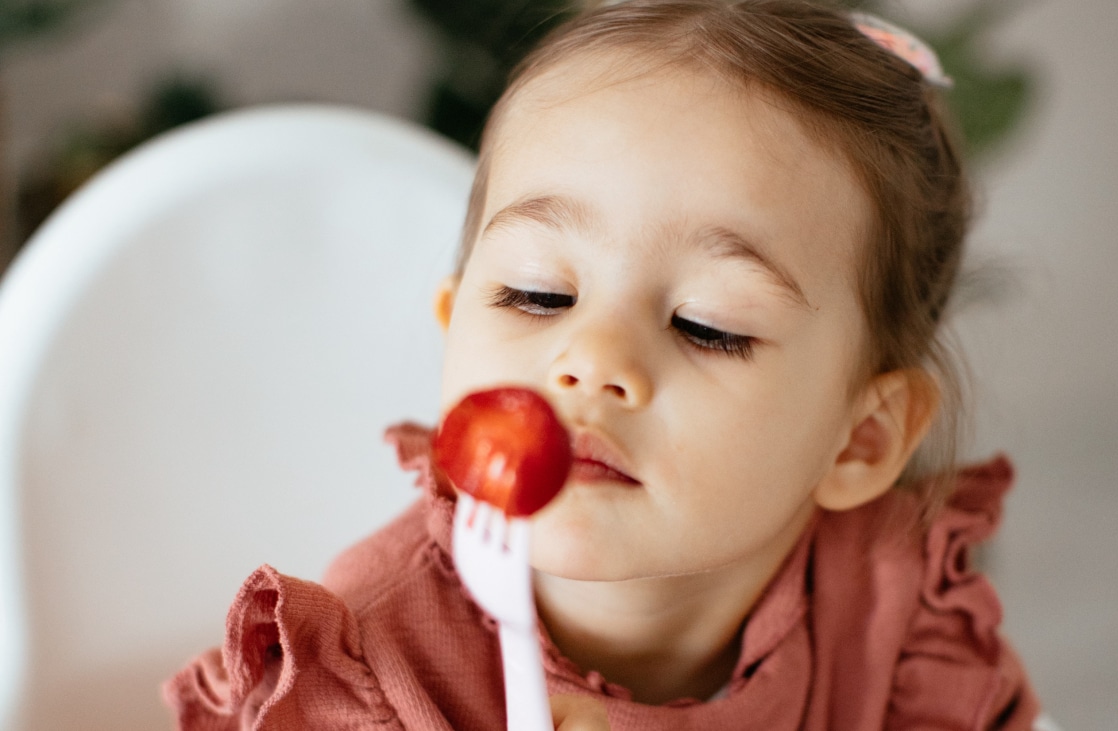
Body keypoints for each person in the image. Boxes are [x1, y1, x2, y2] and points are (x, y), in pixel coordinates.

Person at [165, 1, 1044, 729]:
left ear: (860, 439)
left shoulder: (898, 621)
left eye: (706, 325)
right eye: (538, 295)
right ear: (454, 326)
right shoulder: (368, 668)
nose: (591, 359)